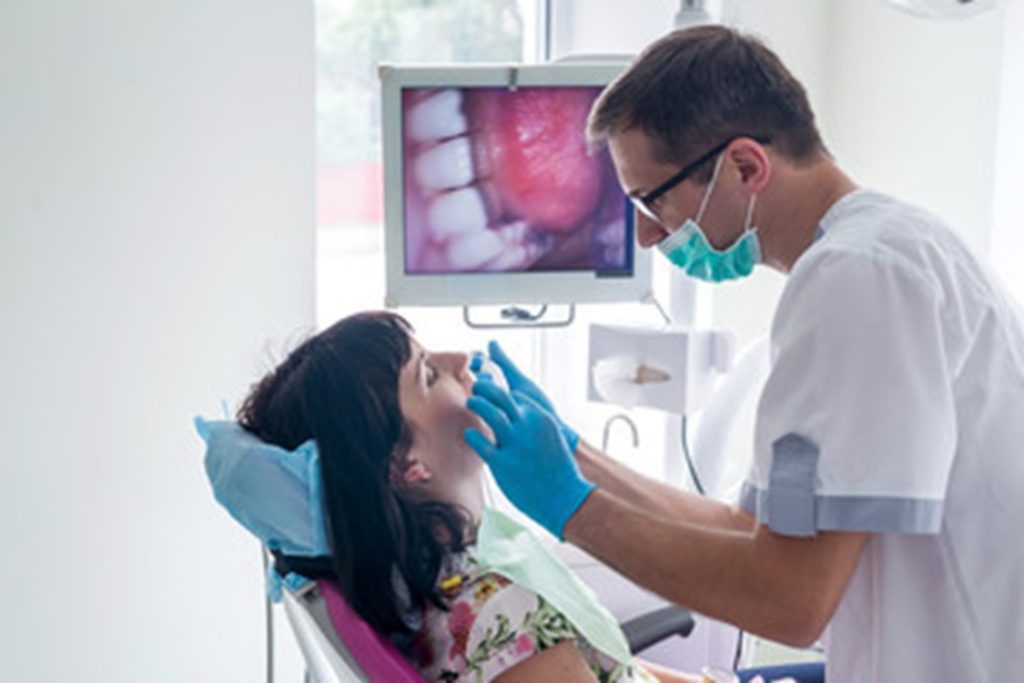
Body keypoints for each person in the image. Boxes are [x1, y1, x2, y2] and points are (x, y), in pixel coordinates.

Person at [463, 25, 1024, 683]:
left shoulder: (857, 278)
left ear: (746, 166)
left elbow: (791, 600)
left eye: (652, 199)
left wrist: (571, 507)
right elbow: (749, 525)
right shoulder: (881, 252)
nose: (646, 235)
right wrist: (576, 452)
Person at [225, 311, 714, 683]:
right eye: (428, 375)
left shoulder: (463, 570)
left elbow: (612, 667)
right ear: (403, 467)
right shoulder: (497, 614)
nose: (460, 360)